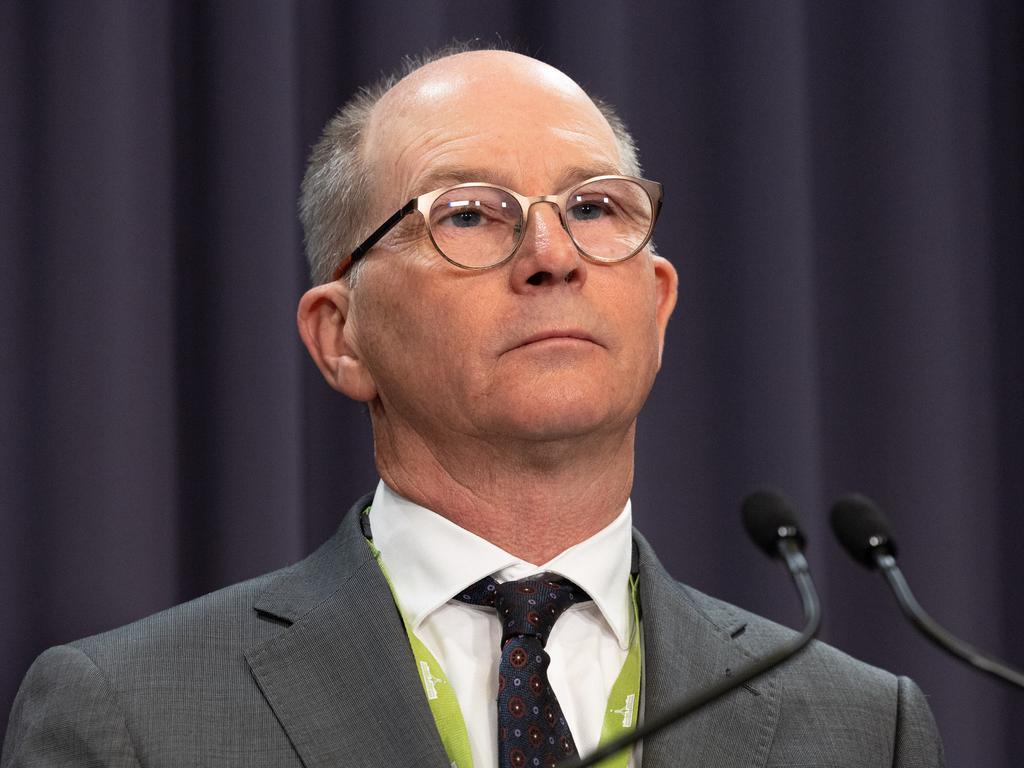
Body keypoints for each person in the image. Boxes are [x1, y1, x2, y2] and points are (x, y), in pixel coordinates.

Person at [2, 47, 944, 768]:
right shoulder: (130, 715)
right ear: (342, 336)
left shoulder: (860, 725)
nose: (553, 254)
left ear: (657, 306)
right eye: (467, 214)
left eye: (596, 206)